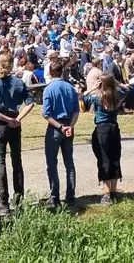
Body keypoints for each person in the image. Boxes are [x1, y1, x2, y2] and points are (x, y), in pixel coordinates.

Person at [0, 52, 28, 214]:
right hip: (15, 124)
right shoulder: (19, 83)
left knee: (0, 162)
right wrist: (17, 118)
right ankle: (19, 199)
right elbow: (30, 103)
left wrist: (7, 119)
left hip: (0, 125)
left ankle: (3, 201)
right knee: (17, 161)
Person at [82, 73, 126, 204]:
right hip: (114, 128)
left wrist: (92, 88)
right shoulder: (117, 95)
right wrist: (116, 84)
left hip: (102, 129)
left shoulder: (97, 98)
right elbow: (127, 90)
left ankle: (107, 193)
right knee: (114, 158)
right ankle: (113, 190)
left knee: (104, 159)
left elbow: (81, 98)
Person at [41, 60, 80, 210]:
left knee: (52, 163)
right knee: (69, 163)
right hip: (68, 126)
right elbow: (76, 111)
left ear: (50, 73)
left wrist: (60, 127)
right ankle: (70, 196)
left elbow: (46, 114)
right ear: (62, 71)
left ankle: (55, 197)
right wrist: (70, 126)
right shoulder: (70, 88)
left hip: (55, 128)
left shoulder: (49, 89)